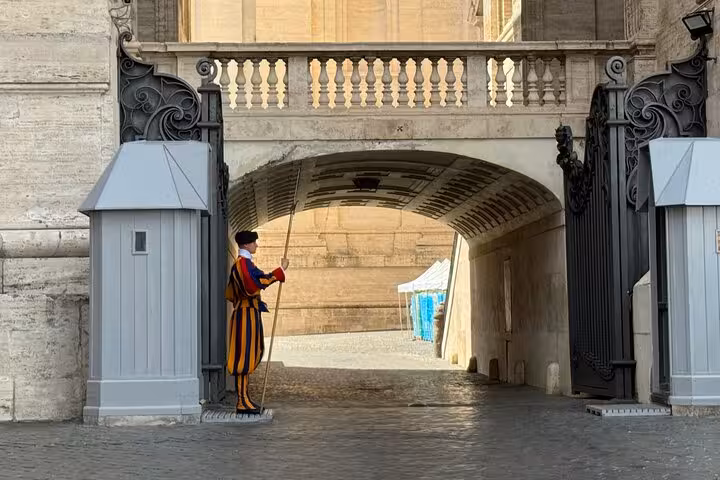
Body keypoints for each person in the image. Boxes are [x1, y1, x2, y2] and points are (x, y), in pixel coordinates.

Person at [225, 230, 289, 414]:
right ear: (246, 244)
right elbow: (255, 284)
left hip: (248, 313)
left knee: (247, 356)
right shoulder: (242, 265)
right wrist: (280, 271)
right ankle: (242, 402)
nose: (256, 245)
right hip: (245, 315)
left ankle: (245, 398)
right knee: (243, 358)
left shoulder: (244, 264)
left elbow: (231, 292)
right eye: (254, 242)